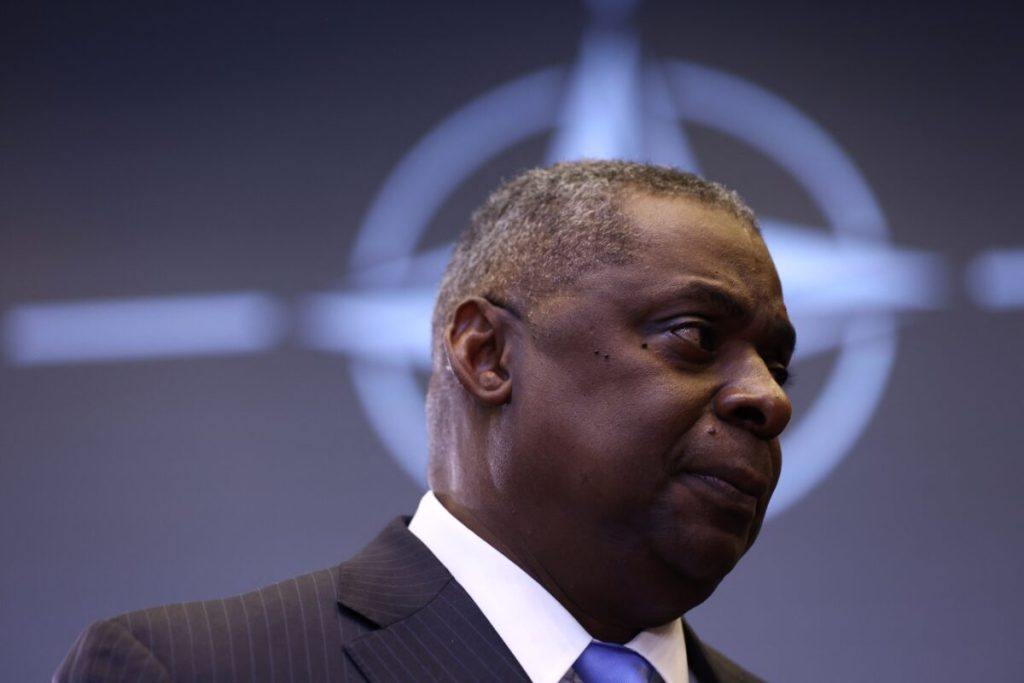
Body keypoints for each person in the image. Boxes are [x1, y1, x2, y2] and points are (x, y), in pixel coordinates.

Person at [55, 160, 795, 683]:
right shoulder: (189, 668)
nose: (770, 399)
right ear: (487, 353)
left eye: (778, 366)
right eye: (695, 334)